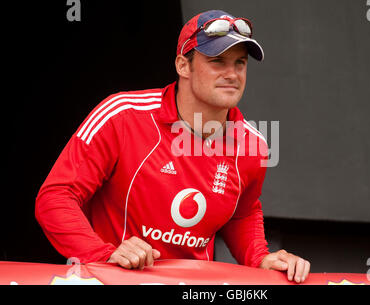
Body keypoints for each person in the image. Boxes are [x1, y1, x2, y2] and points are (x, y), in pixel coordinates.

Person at [35, 10, 310, 283]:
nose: (232, 74)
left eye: (240, 63)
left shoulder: (253, 144)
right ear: (183, 66)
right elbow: (56, 197)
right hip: (113, 281)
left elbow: (242, 213)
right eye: (217, 61)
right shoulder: (122, 115)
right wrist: (103, 253)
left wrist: (260, 258)